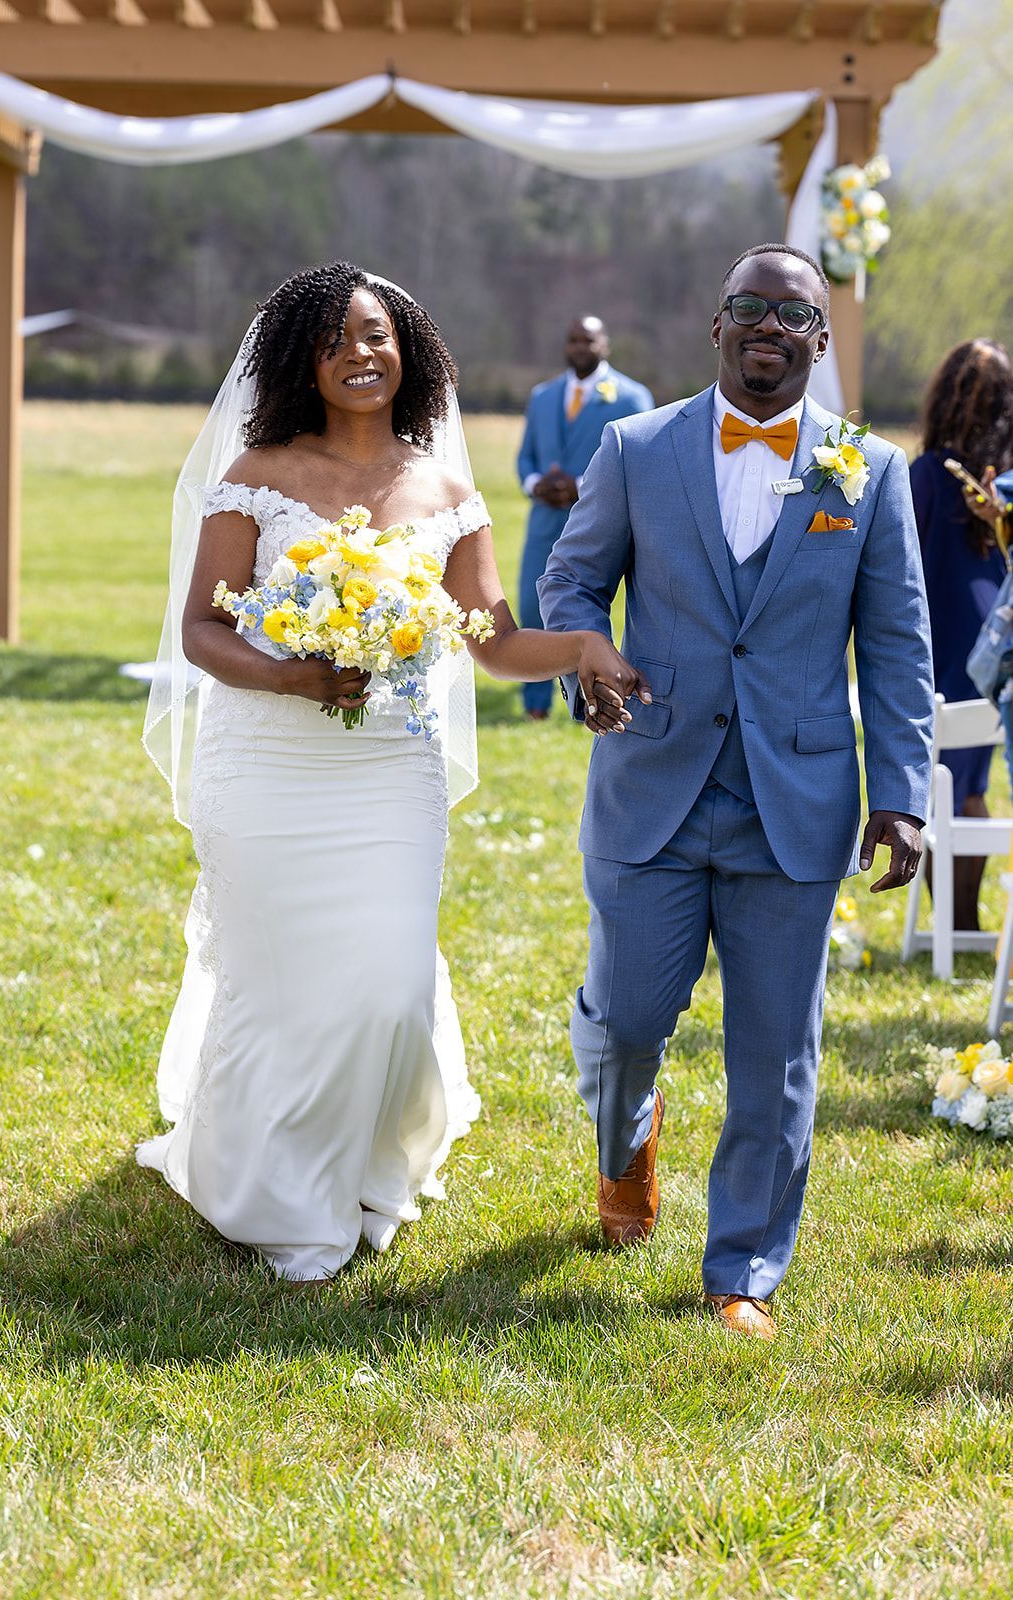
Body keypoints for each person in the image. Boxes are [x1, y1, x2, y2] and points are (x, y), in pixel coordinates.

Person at [136, 263, 645, 1284]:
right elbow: (200, 629)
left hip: (386, 769)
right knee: (278, 983)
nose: (358, 354)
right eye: (332, 341)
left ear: (407, 348)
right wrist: (291, 672)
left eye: (374, 334)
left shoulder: (445, 491)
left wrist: (585, 647)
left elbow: (496, 643)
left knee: (391, 987)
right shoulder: (258, 473)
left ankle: (371, 1162)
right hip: (268, 759)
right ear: (301, 361)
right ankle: (271, 1194)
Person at [539, 244, 933, 1340]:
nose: (769, 325)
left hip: (793, 802)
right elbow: (571, 579)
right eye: (748, 307)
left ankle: (742, 1271)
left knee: (776, 1051)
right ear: (716, 325)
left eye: (792, 313)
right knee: (628, 1021)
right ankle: (626, 1145)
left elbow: (896, 644)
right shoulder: (636, 447)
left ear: (819, 338)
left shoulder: (869, 470)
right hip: (651, 785)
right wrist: (586, 655)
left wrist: (901, 792)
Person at [910, 340, 1013, 930]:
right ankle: (961, 923)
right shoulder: (1005, 486)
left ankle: (957, 926)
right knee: (969, 783)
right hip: (994, 642)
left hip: (942, 638)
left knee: (945, 788)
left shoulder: (928, 475)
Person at [516, 317, 653, 720]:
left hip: (601, 524)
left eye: (588, 340)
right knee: (531, 606)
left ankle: (594, 694)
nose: (580, 346)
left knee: (588, 613)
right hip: (544, 518)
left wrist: (579, 486)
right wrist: (535, 483)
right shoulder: (542, 396)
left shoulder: (632, 398)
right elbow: (526, 456)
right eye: (573, 339)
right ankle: (535, 703)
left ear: (604, 345)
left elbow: (645, 462)